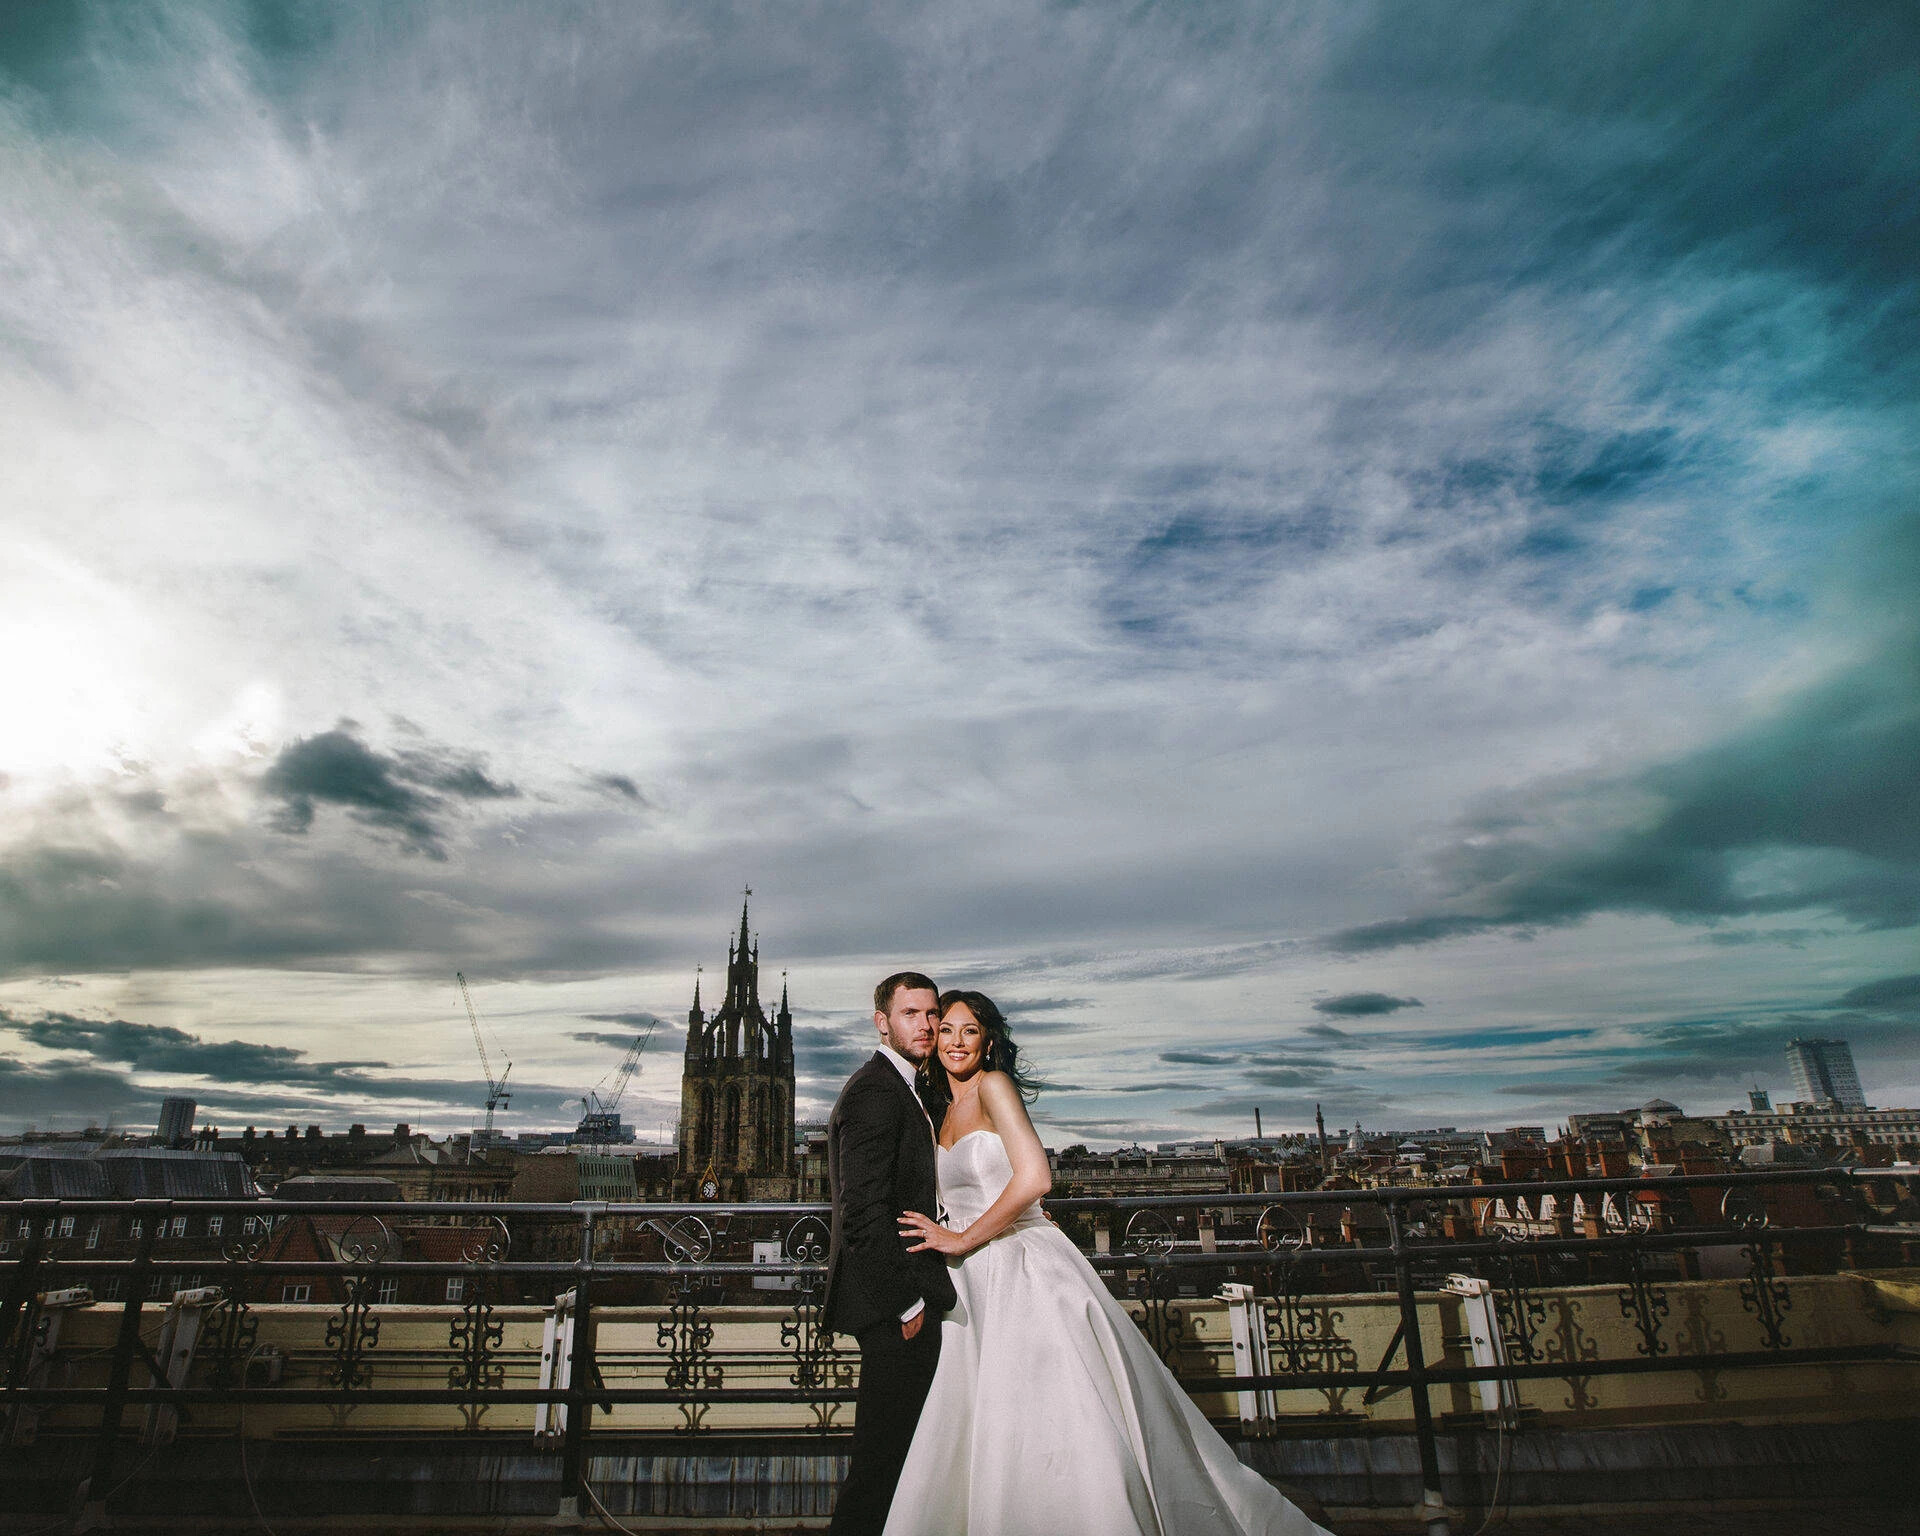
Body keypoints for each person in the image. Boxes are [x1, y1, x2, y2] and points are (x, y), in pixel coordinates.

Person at [883, 990, 1333, 1536]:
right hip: (975, 1281)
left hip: (1017, 1272)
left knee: (1053, 1417)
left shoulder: (993, 1087)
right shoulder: (938, 1103)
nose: (956, 1042)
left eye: (970, 1031)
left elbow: (1036, 1179)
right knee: (990, 1423)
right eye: (947, 1030)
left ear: (989, 1040)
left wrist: (959, 1239)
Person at [823, 972, 960, 1536]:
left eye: (932, 1014)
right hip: (894, 1304)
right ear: (883, 1021)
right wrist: (906, 1306)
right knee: (882, 1461)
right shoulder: (878, 1090)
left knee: (901, 1457)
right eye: (911, 1014)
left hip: (906, 1295)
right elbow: (862, 1213)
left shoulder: (906, 1086)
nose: (926, 1026)